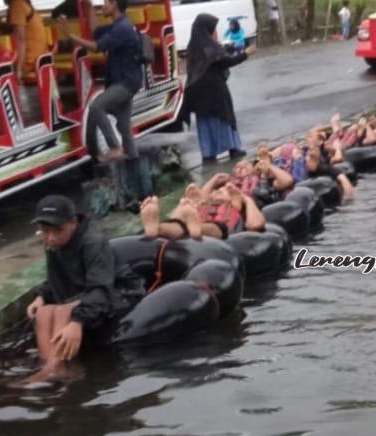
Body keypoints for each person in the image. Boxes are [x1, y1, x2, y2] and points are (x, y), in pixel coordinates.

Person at [25, 195, 143, 380]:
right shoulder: (53, 245)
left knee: (64, 312)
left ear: (73, 222)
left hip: (118, 293)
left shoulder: (94, 243)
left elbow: (101, 287)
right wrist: (42, 297)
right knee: (44, 313)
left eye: (57, 230)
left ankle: (57, 366)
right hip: (83, 296)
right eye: (45, 231)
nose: (51, 237)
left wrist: (77, 321)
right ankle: (49, 366)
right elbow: (55, 278)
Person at [58, 0, 142, 163]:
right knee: (124, 127)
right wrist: (88, 7)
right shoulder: (118, 25)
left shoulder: (122, 28)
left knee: (96, 106)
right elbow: (95, 31)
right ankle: (134, 162)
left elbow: (96, 46)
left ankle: (115, 147)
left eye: (105, 3)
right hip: (126, 81)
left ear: (114, 5)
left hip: (125, 83)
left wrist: (70, 36)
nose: (102, 6)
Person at [180, 14, 257, 163]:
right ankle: (233, 148)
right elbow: (226, 62)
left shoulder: (193, 46)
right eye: (213, 29)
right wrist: (246, 53)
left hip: (198, 94)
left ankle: (209, 153)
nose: (215, 33)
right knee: (223, 117)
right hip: (215, 90)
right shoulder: (210, 47)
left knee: (206, 122)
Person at [140, 173, 267, 240]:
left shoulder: (236, 206)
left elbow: (255, 225)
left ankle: (195, 228)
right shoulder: (203, 204)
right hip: (190, 225)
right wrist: (214, 179)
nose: (218, 191)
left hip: (220, 232)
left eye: (224, 191)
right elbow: (204, 195)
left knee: (212, 226)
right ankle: (157, 228)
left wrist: (246, 199)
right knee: (184, 207)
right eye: (217, 191)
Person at [5, 0, 49, 80]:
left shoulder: (17, 5)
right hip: (41, 58)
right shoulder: (23, 4)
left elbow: (21, 40)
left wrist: (18, 69)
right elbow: (9, 28)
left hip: (30, 62)